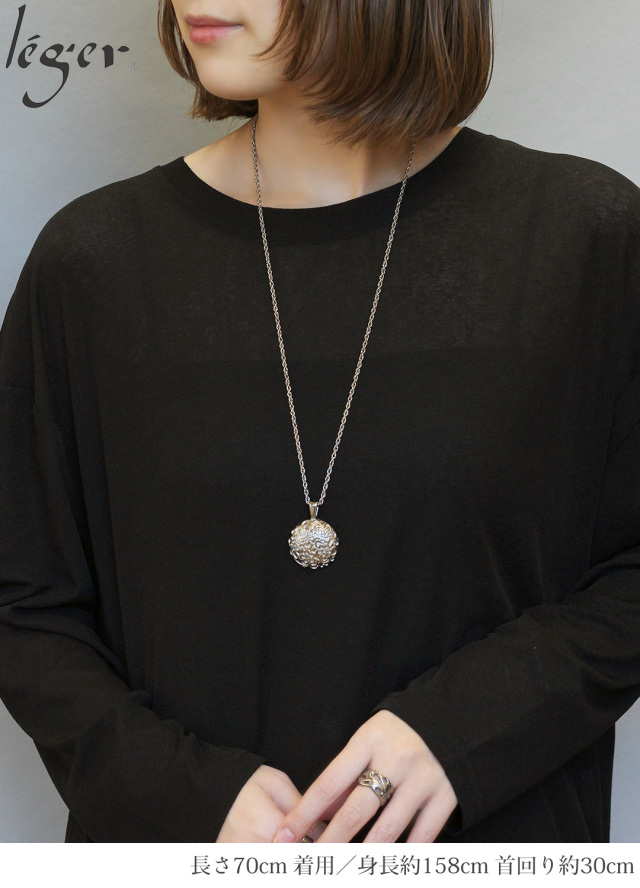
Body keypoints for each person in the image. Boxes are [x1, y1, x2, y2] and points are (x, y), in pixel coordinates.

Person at [1, 0, 639, 844]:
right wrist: (184, 795)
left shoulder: (583, 237)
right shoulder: (92, 263)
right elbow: (24, 599)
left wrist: (465, 730)